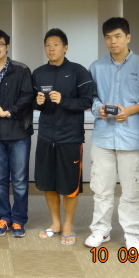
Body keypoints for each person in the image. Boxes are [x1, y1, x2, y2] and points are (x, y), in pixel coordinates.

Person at [85, 17, 139, 253]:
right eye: (108, 37)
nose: (112, 41)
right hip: (103, 137)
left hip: (132, 137)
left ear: (128, 37)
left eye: (117, 36)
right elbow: (91, 98)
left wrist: (130, 110)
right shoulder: (96, 67)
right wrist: (99, 109)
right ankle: (100, 230)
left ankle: (132, 234)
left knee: (132, 190)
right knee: (101, 188)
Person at [32, 28, 93, 245]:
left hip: (70, 138)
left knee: (69, 186)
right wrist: (37, 102)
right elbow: (31, 101)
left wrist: (64, 100)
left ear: (65, 47)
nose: (51, 48)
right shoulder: (38, 73)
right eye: (48, 45)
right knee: (48, 184)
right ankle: (55, 223)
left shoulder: (78, 71)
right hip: (46, 137)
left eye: (56, 44)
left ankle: (68, 225)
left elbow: (88, 101)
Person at [0, 29, 33, 238]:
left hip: (19, 133)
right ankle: (4, 217)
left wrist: (8, 112)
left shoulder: (21, 69)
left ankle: (19, 219)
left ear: (7, 46)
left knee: (19, 180)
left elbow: (27, 96)